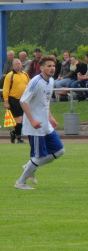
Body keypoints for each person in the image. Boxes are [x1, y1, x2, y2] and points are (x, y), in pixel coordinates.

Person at [14, 55, 65, 189]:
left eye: (53, 66)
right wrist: (32, 121)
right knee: (38, 156)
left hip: (45, 124)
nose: (52, 68)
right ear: (41, 68)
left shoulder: (51, 81)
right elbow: (23, 101)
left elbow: (45, 102)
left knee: (59, 151)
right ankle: (20, 182)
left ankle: (29, 166)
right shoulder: (35, 82)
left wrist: (50, 117)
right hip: (35, 126)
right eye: (49, 66)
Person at [3, 58, 29, 144]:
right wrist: (6, 101)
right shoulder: (9, 75)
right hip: (14, 99)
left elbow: (29, 86)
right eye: (16, 64)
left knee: (24, 119)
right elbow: (6, 89)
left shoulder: (25, 74)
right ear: (13, 66)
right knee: (19, 118)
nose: (18, 65)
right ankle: (19, 138)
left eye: (19, 63)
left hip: (24, 99)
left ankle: (14, 132)